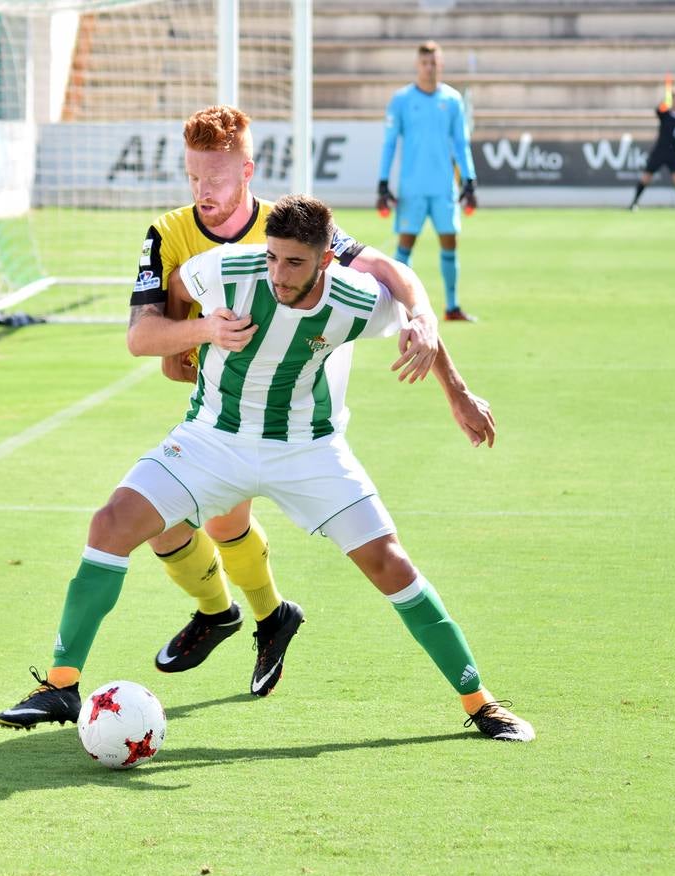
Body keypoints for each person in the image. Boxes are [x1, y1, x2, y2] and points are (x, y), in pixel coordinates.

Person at [0, 194, 534, 743]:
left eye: (294, 262)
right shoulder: (228, 271)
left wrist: (456, 390)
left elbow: (410, 304)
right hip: (212, 438)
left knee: (389, 563)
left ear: (327, 260)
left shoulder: (356, 299)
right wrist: (186, 338)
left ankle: (481, 702)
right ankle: (60, 685)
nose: (277, 273)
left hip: (307, 448)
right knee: (110, 524)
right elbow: (177, 286)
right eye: (272, 257)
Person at [129, 105, 442, 700]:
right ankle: (248, 615)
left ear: (246, 171)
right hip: (221, 404)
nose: (202, 192)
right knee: (190, 526)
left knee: (207, 519)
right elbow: (159, 344)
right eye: (192, 178)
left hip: (296, 407)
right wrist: (191, 337)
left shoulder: (290, 226)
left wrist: (438, 350)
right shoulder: (168, 233)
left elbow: (386, 271)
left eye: (214, 179)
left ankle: (248, 615)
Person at [377, 41, 478, 323]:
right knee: (404, 247)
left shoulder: (452, 100)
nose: (429, 67)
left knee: (450, 243)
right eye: (425, 63)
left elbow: (461, 144)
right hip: (412, 189)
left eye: (434, 62)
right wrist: (383, 183)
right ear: (417, 65)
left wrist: (469, 179)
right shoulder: (402, 100)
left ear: (441, 65)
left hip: (444, 187)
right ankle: (397, 309)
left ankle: (452, 306)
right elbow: (389, 144)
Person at [629, 87, 675, 211]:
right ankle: (634, 203)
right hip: (659, 151)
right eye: (674, 99)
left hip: (673, 154)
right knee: (646, 177)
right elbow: (658, 110)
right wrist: (666, 99)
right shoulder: (665, 115)